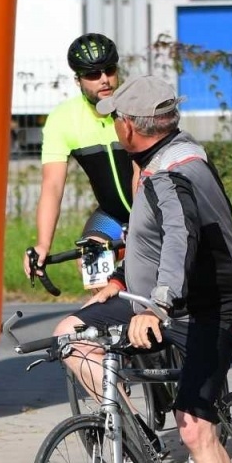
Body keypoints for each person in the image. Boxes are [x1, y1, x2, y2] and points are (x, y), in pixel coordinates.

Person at [53, 75, 232, 463]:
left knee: (194, 425)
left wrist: (156, 306)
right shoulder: (152, 160)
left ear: (131, 127)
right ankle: (141, 446)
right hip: (158, 299)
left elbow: (180, 240)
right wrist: (124, 282)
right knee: (69, 332)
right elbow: (147, 240)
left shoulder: (174, 172)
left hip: (215, 306)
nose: (112, 123)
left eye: (115, 118)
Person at [23, 33, 134, 279]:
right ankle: (113, 317)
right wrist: (43, 244)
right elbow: (52, 186)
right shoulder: (63, 118)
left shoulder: (136, 105)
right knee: (90, 262)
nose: (104, 80)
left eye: (109, 70)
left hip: (155, 210)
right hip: (113, 215)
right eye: (93, 74)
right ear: (78, 80)